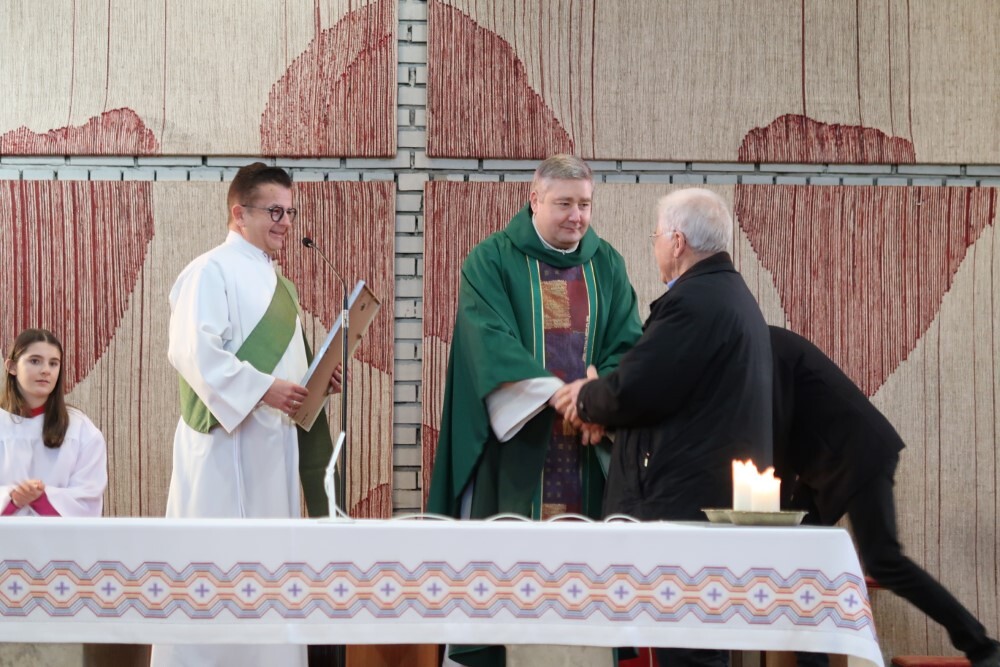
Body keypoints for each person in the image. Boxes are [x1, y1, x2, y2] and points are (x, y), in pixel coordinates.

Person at [427, 154, 643, 667]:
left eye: (585, 204)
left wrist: (598, 400)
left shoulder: (607, 264)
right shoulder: (491, 260)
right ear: (534, 200)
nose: (577, 216)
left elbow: (629, 345)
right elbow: (488, 342)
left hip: (587, 449)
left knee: (584, 591)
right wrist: (562, 396)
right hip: (517, 450)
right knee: (507, 583)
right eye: (564, 204)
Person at [552, 188, 772, 667]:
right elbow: (678, 399)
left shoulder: (693, 303)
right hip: (704, 502)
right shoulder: (728, 296)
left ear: (677, 241)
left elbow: (639, 387)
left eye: (655, 236)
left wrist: (585, 399)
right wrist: (608, 415)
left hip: (683, 512)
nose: (655, 246)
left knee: (686, 651)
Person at [151, 163, 340, 667]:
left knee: (271, 574)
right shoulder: (208, 271)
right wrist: (262, 389)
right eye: (275, 211)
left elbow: (287, 373)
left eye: (290, 212)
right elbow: (193, 353)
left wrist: (317, 382)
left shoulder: (280, 284)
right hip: (224, 451)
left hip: (273, 452)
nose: (286, 222)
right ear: (239, 213)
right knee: (213, 571)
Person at [769, 326, 1000, 667]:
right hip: (830, 463)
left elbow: (775, 435)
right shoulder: (766, 346)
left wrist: (768, 512)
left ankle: (983, 647)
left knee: (884, 561)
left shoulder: (768, 348)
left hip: (859, 454)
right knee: (797, 561)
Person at [0, 328, 107, 517]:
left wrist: (41, 498)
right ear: (12, 367)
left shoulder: (80, 429)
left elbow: (87, 498)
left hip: (58, 535)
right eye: (35, 361)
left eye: (53, 363)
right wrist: (12, 499)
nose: (45, 370)